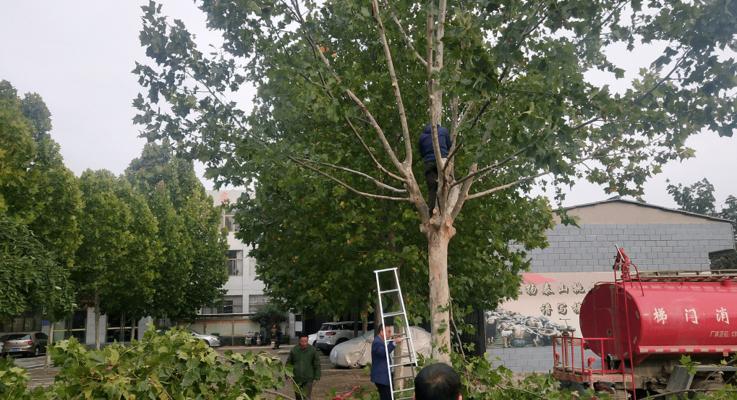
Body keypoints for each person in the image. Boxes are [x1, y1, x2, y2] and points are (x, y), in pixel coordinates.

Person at [418, 124, 452, 213]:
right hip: (442, 161)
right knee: (446, 184)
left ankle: (432, 210)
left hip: (429, 163)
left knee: (432, 188)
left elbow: (421, 153)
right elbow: (449, 145)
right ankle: (444, 209)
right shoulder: (444, 130)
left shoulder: (422, 136)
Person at [371, 324, 403, 400]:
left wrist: (393, 341)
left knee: (389, 397)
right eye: (388, 331)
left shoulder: (380, 341)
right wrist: (394, 342)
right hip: (382, 378)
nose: (390, 334)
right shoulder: (377, 342)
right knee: (388, 397)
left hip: (384, 377)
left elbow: (385, 349)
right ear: (381, 332)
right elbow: (383, 352)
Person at [286, 333, 321, 400]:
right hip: (296, 378)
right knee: (298, 397)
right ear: (299, 341)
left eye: (306, 341)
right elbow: (289, 363)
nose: (304, 343)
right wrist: (287, 375)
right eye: (302, 341)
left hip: (308, 378)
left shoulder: (312, 350)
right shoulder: (294, 350)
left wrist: (317, 376)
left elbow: (317, 364)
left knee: (306, 397)